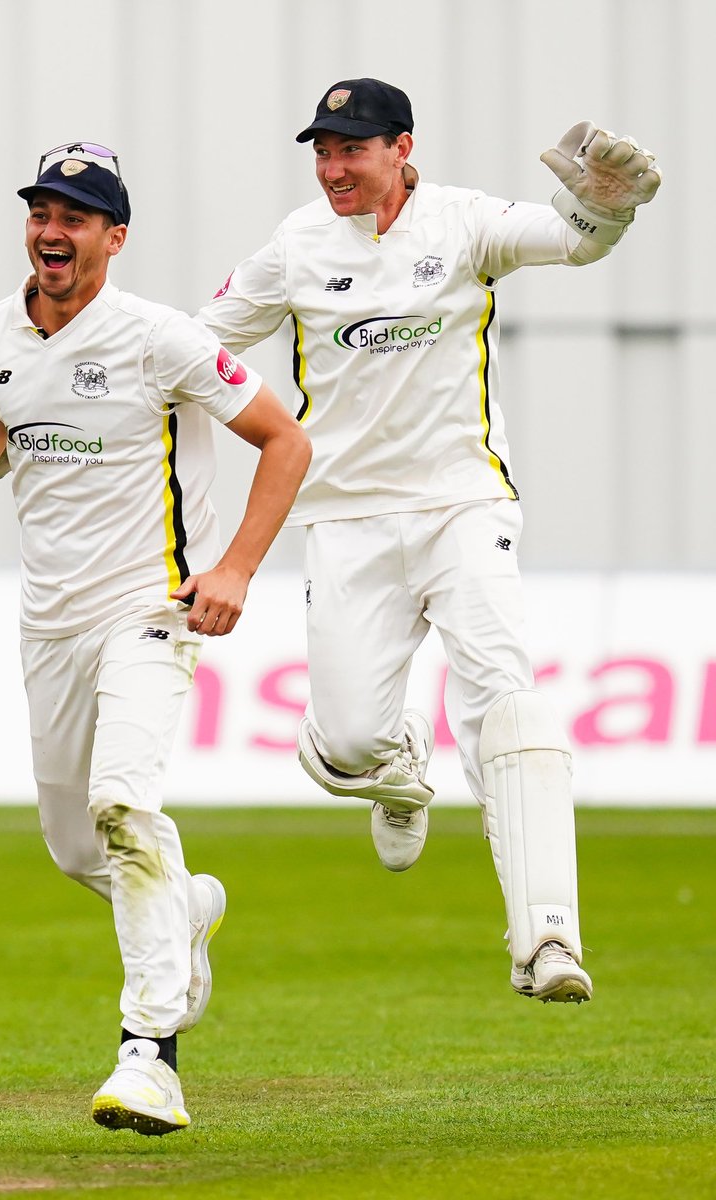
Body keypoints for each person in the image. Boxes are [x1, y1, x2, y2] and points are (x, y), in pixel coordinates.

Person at [0, 141, 311, 1134]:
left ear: (114, 237)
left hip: (151, 607)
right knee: (73, 845)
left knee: (124, 807)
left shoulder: (163, 338)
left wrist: (234, 570)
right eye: (41, 213)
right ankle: (184, 911)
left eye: (76, 217)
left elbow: (286, 439)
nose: (52, 232)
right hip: (48, 623)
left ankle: (150, 1058)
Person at [199, 79, 661, 1005]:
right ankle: (397, 759)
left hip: (462, 503)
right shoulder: (297, 244)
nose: (334, 169)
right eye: (323, 152)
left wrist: (606, 211)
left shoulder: (463, 222)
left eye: (352, 149)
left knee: (504, 701)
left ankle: (547, 938)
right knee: (343, 744)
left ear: (401, 148)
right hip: (344, 518)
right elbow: (197, 343)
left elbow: (571, 238)